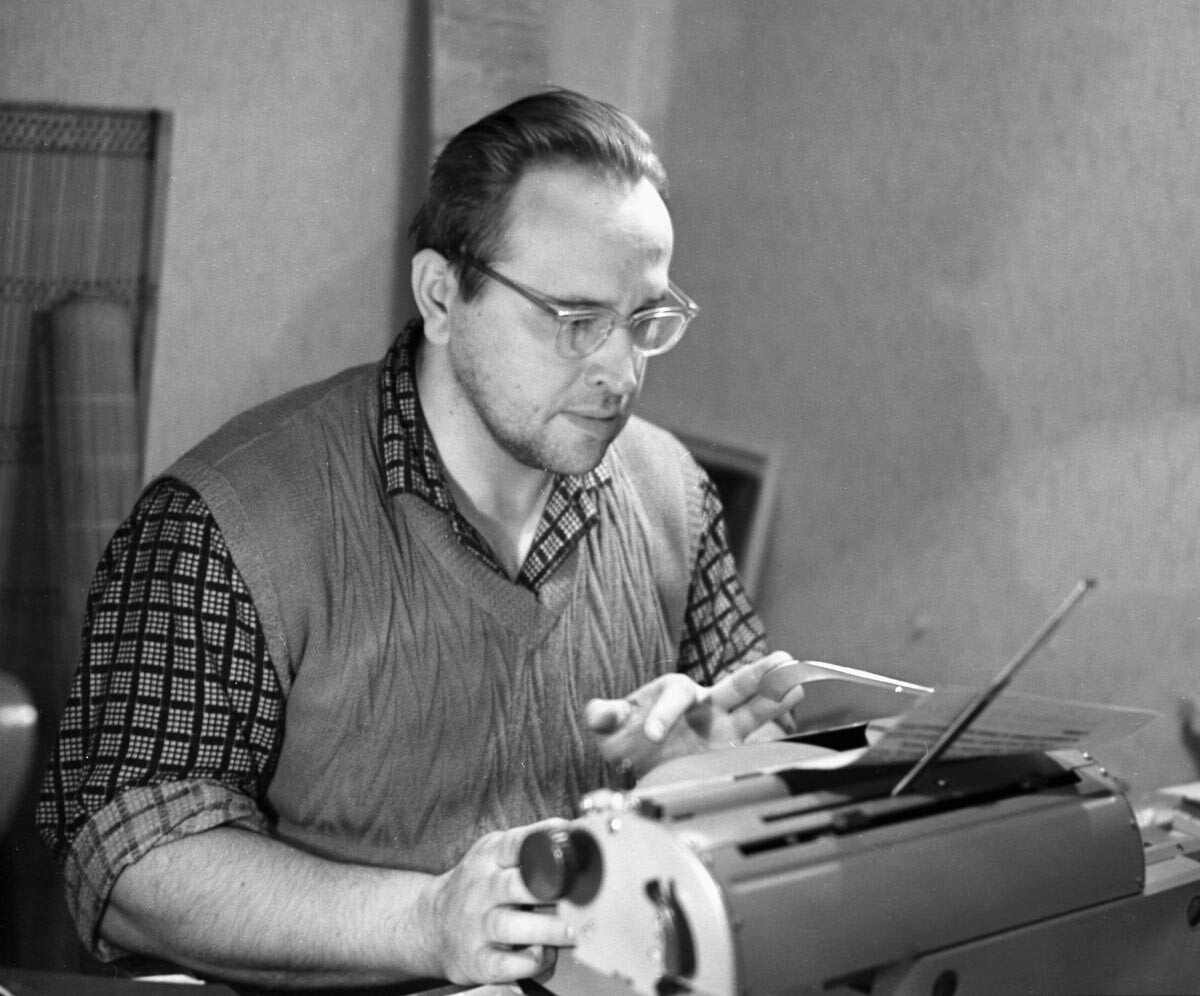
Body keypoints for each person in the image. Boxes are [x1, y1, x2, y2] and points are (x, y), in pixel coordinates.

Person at [36, 88, 803, 992]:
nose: (620, 371)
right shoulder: (227, 522)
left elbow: (761, 777)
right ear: (443, 294)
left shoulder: (671, 491)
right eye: (576, 322)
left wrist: (715, 778)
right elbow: (128, 861)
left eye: (645, 322)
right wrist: (425, 920)